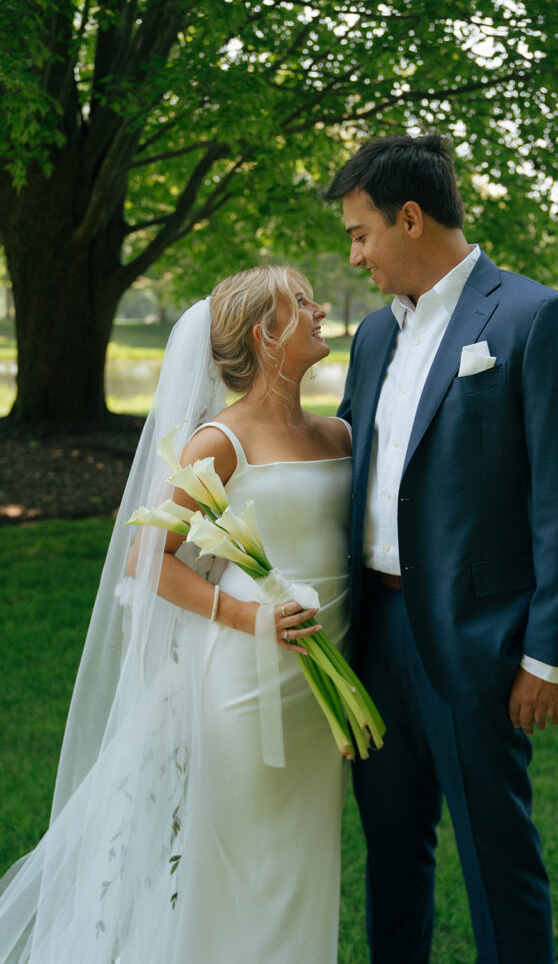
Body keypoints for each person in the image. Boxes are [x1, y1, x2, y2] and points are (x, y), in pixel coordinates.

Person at [0, 266, 352, 964]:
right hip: (249, 685)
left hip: (325, 694)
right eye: (302, 302)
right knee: (239, 867)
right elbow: (146, 559)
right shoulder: (219, 443)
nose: (318, 310)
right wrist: (245, 616)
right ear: (266, 333)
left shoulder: (339, 434)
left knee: (305, 859)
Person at [325, 133, 558, 964]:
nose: (355, 255)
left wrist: (546, 654)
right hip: (372, 640)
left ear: (409, 219)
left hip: (480, 642)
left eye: (360, 233)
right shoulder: (375, 335)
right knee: (391, 854)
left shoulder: (536, 317)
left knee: (496, 859)